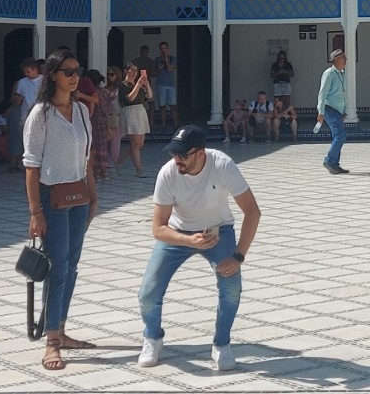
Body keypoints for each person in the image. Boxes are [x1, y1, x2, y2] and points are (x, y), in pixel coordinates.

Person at [138, 125, 263, 371]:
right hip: (177, 233)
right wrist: (188, 240)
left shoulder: (222, 165)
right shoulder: (168, 173)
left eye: (182, 155)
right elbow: (158, 229)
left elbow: (253, 212)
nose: (177, 160)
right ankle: (153, 337)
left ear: (200, 153)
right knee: (148, 293)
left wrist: (238, 256)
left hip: (218, 230)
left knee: (231, 287)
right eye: (173, 153)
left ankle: (221, 343)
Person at [24, 49, 100, 372]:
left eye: (76, 70)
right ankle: (51, 341)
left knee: (71, 266)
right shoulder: (40, 115)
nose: (73, 77)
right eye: (67, 71)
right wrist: (35, 211)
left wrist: (93, 194)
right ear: (53, 74)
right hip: (51, 198)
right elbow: (31, 166)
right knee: (57, 268)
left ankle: (62, 328)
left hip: (78, 197)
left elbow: (86, 156)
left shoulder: (82, 110)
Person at [319, 50, 349, 174]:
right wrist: (320, 112)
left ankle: (335, 164)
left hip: (337, 111)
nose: (346, 59)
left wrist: (344, 111)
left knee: (337, 136)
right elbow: (322, 93)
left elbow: (342, 94)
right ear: (336, 59)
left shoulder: (342, 74)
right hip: (329, 108)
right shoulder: (329, 73)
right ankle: (329, 160)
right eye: (343, 57)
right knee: (341, 135)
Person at [120, 65, 152, 176]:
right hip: (130, 112)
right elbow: (130, 98)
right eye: (132, 70)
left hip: (140, 111)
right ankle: (139, 170)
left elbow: (150, 96)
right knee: (134, 144)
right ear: (126, 71)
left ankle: (118, 161)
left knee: (140, 144)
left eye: (136, 70)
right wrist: (137, 85)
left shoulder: (139, 84)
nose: (134, 72)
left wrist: (146, 85)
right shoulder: (123, 85)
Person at [89, 69, 121, 180]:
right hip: (105, 120)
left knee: (95, 147)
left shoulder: (92, 92)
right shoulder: (103, 91)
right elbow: (112, 97)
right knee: (103, 146)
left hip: (95, 121)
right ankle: (104, 172)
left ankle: (96, 173)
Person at [152, 42, 179, 129]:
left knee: (173, 106)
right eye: (161, 49)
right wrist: (159, 69)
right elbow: (153, 74)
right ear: (159, 50)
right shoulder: (156, 60)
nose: (163, 50)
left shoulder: (172, 59)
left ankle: (176, 124)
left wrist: (166, 60)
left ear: (167, 49)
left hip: (170, 85)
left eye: (165, 48)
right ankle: (163, 124)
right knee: (162, 106)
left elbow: (170, 69)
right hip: (160, 85)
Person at [268, 51, 294, 127]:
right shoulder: (274, 65)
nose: (281, 60)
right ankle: (277, 117)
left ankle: (287, 118)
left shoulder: (288, 64)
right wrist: (278, 73)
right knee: (277, 101)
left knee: (286, 100)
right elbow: (271, 75)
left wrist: (285, 72)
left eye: (283, 58)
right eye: (280, 58)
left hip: (286, 83)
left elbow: (292, 74)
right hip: (277, 84)